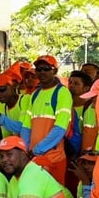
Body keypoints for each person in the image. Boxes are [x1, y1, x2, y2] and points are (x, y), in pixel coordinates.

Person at [17, 56, 73, 186]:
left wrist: (36, 150)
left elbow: (60, 128)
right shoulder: (35, 94)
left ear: (55, 71)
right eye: (39, 69)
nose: (42, 72)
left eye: (46, 69)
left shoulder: (62, 93)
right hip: (34, 157)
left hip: (53, 158)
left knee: (54, 197)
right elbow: (26, 126)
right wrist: (26, 150)